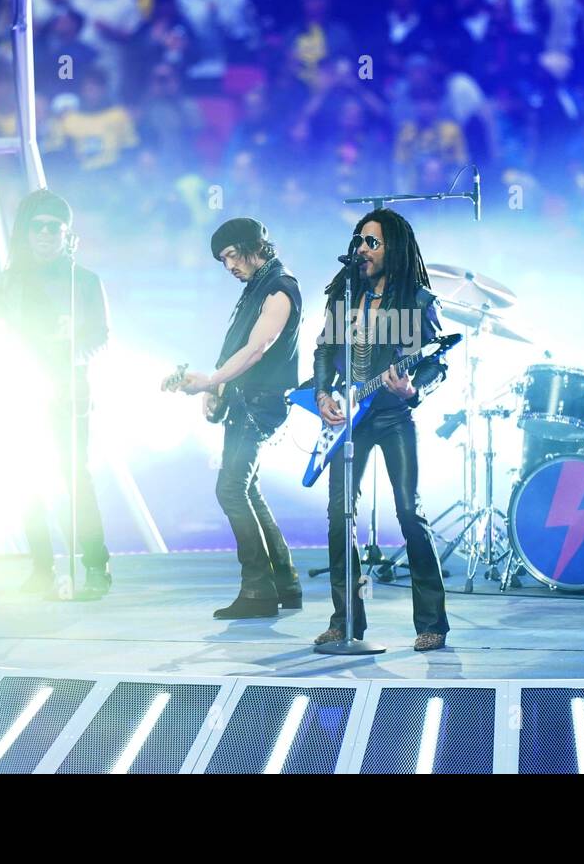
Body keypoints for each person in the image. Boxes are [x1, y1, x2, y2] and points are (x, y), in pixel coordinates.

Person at [312, 208, 450, 651]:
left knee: (410, 512)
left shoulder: (418, 301)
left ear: (394, 248)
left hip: (393, 417)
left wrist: (414, 389)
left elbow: (436, 361)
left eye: (373, 242)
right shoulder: (344, 296)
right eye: (360, 241)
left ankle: (432, 623)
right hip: (349, 422)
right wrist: (321, 395)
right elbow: (322, 351)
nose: (363, 250)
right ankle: (345, 620)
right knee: (340, 517)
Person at [165, 218, 303, 619]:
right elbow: (241, 348)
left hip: (259, 405)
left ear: (251, 246)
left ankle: (259, 590)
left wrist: (213, 379)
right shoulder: (258, 287)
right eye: (221, 260)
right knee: (247, 489)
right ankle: (285, 583)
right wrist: (216, 387)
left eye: (230, 255)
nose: (228, 266)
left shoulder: (279, 288)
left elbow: (259, 348)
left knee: (230, 489)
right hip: (246, 400)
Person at [0, 189, 113, 599]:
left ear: (66, 233)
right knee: (26, 481)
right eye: (36, 227)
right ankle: (41, 568)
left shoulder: (86, 281)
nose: (44, 234)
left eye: (53, 227)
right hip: (21, 395)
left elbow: (101, 336)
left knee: (76, 479)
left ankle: (96, 568)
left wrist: (71, 353)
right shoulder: (10, 282)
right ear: (27, 233)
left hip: (68, 393)